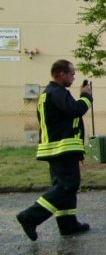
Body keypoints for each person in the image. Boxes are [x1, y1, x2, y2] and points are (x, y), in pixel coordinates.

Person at [16, 60, 93, 240]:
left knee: (63, 186)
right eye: (71, 74)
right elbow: (75, 110)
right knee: (68, 186)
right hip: (61, 149)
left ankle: (67, 224)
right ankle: (29, 217)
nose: (74, 77)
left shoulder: (48, 94)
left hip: (55, 148)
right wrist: (86, 96)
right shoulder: (56, 93)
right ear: (60, 74)